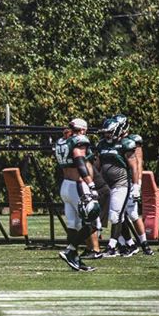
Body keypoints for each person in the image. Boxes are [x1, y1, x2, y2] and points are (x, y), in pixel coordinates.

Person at [53, 118, 98, 272]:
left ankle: (75, 259)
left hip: (65, 186)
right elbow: (79, 162)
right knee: (93, 223)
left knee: (73, 225)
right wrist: (91, 183)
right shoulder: (79, 140)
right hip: (78, 186)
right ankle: (71, 250)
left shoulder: (61, 141)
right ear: (83, 129)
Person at [95, 115, 138, 257]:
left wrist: (136, 186)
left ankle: (112, 247)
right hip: (106, 185)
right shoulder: (102, 144)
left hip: (122, 183)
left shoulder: (126, 144)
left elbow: (134, 166)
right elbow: (97, 165)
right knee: (119, 216)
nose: (106, 134)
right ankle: (130, 245)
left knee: (115, 216)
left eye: (109, 131)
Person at [119, 121, 155, 256]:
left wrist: (137, 184)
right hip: (118, 181)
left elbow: (138, 163)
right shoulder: (114, 142)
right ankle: (124, 244)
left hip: (130, 181)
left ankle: (144, 243)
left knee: (132, 213)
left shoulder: (132, 140)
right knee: (118, 215)